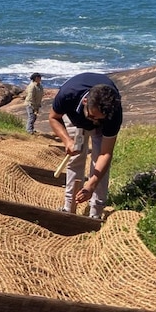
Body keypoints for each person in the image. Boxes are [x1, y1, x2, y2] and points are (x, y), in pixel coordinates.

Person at [48, 72, 123, 220]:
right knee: (75, 159)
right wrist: (67, 141)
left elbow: (105, 154)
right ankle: (68, 207)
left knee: (99, 165)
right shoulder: (68, 94)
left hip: (103, 124)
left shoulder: (113, 113)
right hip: (75, 119)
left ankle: (96, 212)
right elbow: (53, 117)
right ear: (85, 102)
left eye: (99, 119)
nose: (94, 122)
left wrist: (91, 184)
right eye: (93, 117)